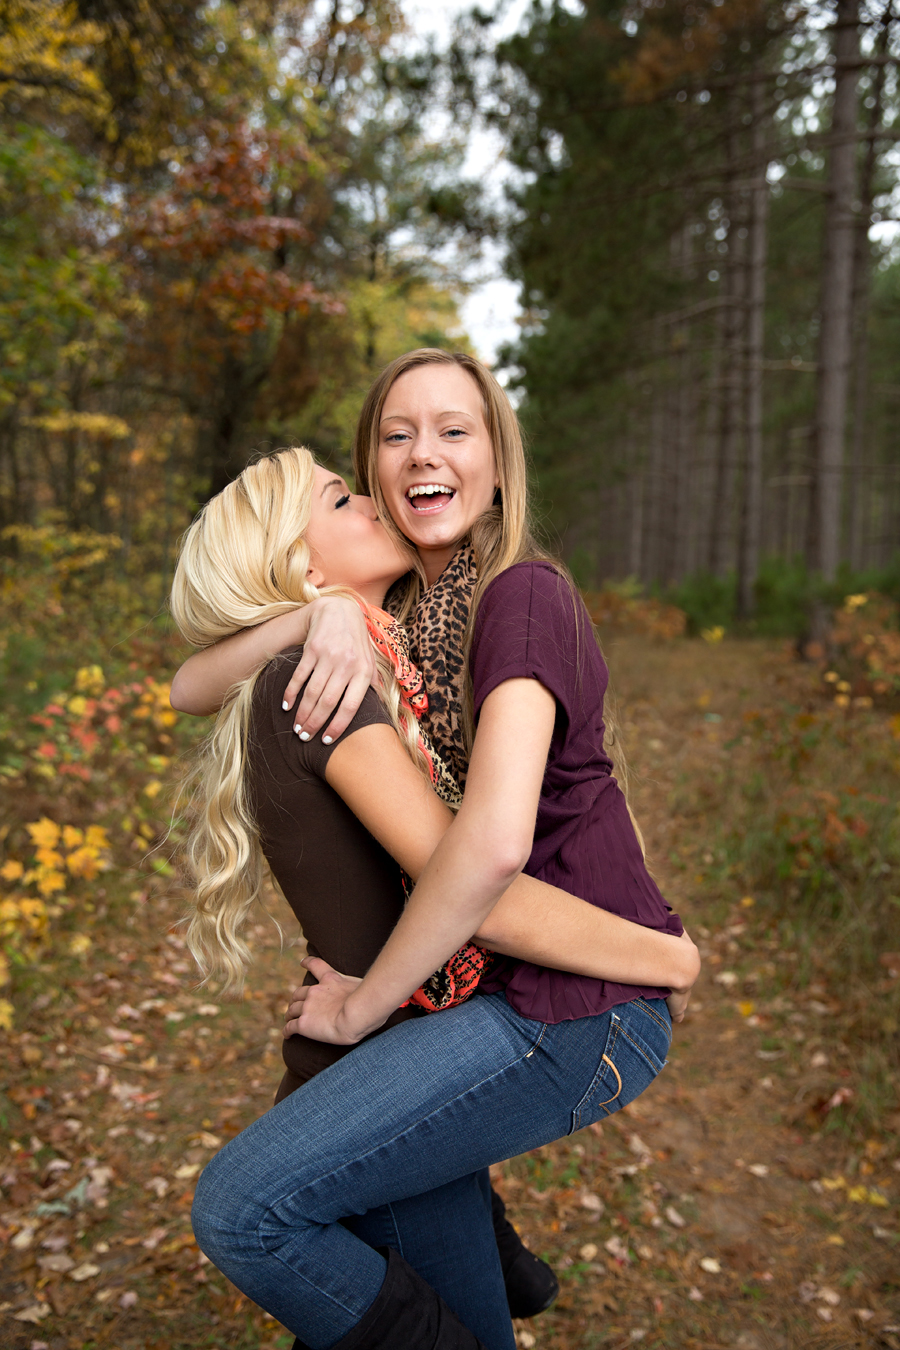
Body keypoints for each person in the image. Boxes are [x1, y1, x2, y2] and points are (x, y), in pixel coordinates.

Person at [172, 352, 699, 1350]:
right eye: (393, 438)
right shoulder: (389, 633)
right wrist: (316, 608)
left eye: (456, 430)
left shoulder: (509, 600)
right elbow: (187, 685)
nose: (421, 455)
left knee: (251, 1207)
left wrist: (666, 956)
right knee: (410, 1248)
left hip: (558, 998)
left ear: (500, 461)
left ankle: (494, 1265)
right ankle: (497, 1268)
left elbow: (489, 856)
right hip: (475, 995)